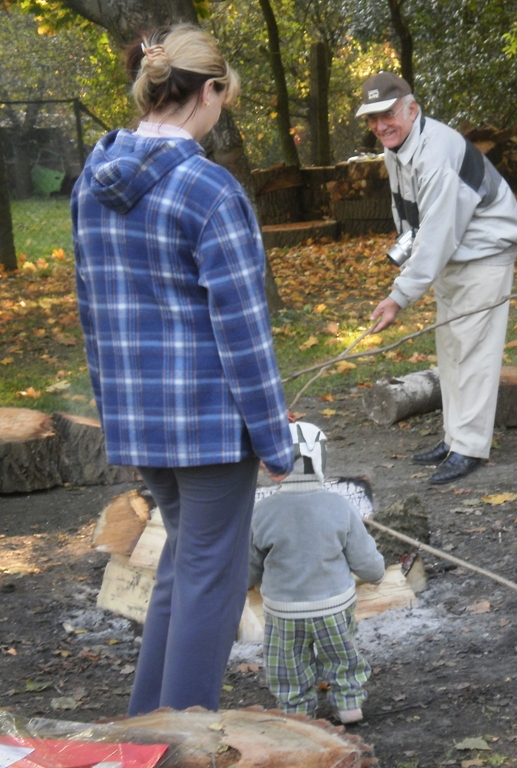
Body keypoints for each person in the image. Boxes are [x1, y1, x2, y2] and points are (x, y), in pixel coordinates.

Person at [72, 24, 293, 714]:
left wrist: (116, 419)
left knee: (183, 566)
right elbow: (243, 331)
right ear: (211, 91)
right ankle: (182, 743)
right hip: (208, 427)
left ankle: (146, 735)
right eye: (227, 96)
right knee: (211, 582)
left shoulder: (90, 184)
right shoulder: (210, 190)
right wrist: (276, 442)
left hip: (139, 421)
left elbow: (92, 314)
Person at [357, 72, 517, 485]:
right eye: (373, 118)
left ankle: (469, 447)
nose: (380, 125)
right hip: (456, 254)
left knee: (473, 351)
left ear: (411, 109)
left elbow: (438, 233)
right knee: (450, 349)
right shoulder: (396, 149)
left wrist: (399, 296)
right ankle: (453, 438)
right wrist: (407, 255)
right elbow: (410, 215)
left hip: (485, 251)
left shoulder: (437, 153)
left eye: (388, 114)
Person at [249, 422, 385, 725]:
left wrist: (245, 584)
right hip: (333, 606)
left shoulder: (262, 511)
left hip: (284, 610)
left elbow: (249, 564)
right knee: (342, 655)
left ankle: (296, 709)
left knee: (288, 664)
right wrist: (376, 574)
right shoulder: (339, 505)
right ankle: (349, 703)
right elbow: (364, 558)